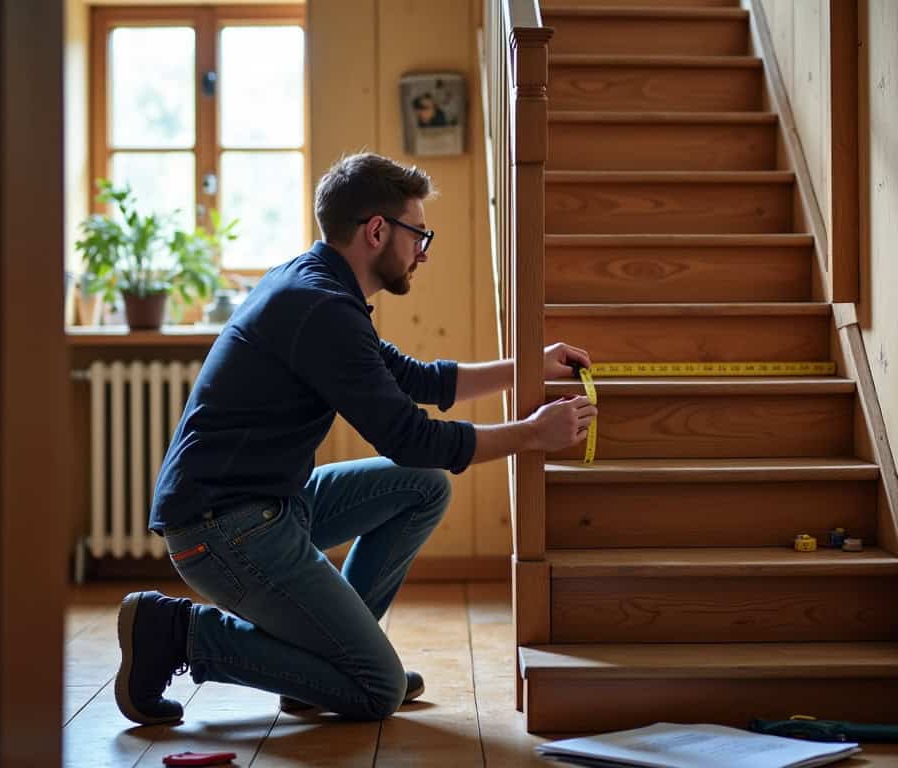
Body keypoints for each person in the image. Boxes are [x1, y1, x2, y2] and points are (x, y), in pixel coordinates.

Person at [114, 152, 597, 726]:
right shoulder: (319, 307)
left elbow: (420, 380)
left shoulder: (318, 286)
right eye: (419, 234)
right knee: (376, 690)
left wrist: (529, 367)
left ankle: (320, 668)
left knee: (423, 488)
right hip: (221, 529)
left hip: (269, 505)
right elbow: (411, 438)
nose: (423, 250)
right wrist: (531, 436)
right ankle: (180, 633)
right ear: (376, 231)